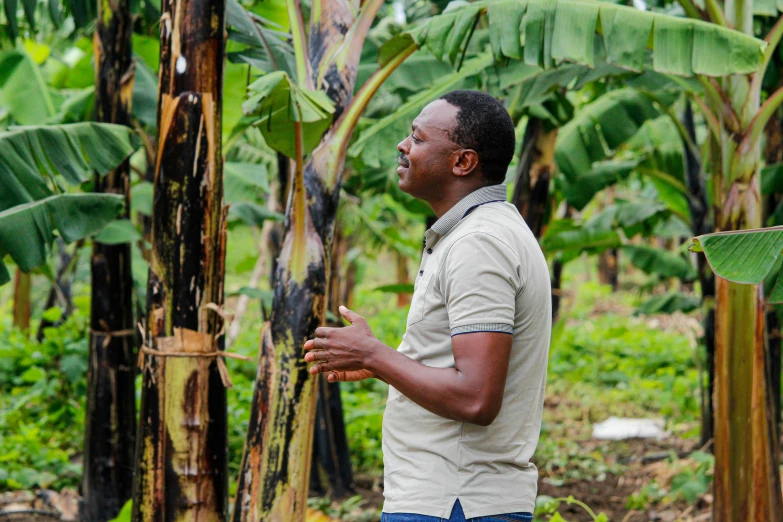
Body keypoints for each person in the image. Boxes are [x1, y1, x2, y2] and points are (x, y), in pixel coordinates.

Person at [304, 90, 551, 522]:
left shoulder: (479, 243)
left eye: (417, 139)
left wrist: (374, 354)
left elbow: (476, 398)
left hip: (454, 501)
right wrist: (386, 364)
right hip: (456, 498)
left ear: (462, 162)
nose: (403, 146)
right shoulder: (478, 232)